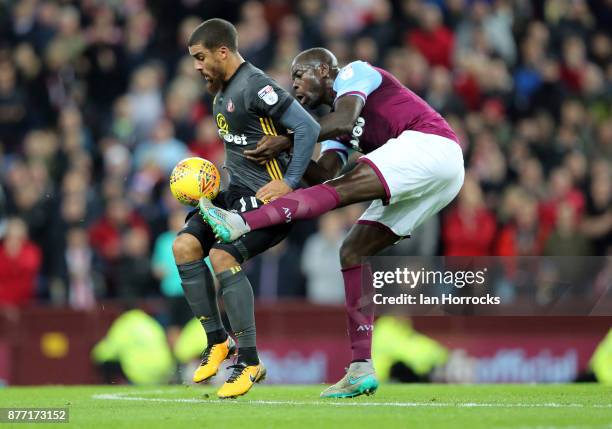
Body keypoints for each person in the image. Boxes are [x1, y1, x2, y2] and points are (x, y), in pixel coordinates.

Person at [199, 47, 465, 398]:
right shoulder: (336, 128)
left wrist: (287, 136)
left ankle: (241, 223)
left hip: (431, 145)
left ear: (324, 70)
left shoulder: (355, 73)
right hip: (440, 177)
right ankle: (360, 367)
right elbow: (322, 176)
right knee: (352, 250)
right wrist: (285, 152)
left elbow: (343, 119)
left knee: (348, 186)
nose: (293, 85)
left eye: (299, 75)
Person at [172, 19, 319, 399]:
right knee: (184, 247)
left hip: (268, 203)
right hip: (234, 194)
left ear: (223, 51)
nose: (197, 66)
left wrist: (290, 182)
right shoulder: (220, 92)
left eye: (201, 57)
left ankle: (249, 360)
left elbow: (308, 127)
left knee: (221, 256)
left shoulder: (256, 85)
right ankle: (217, 340)